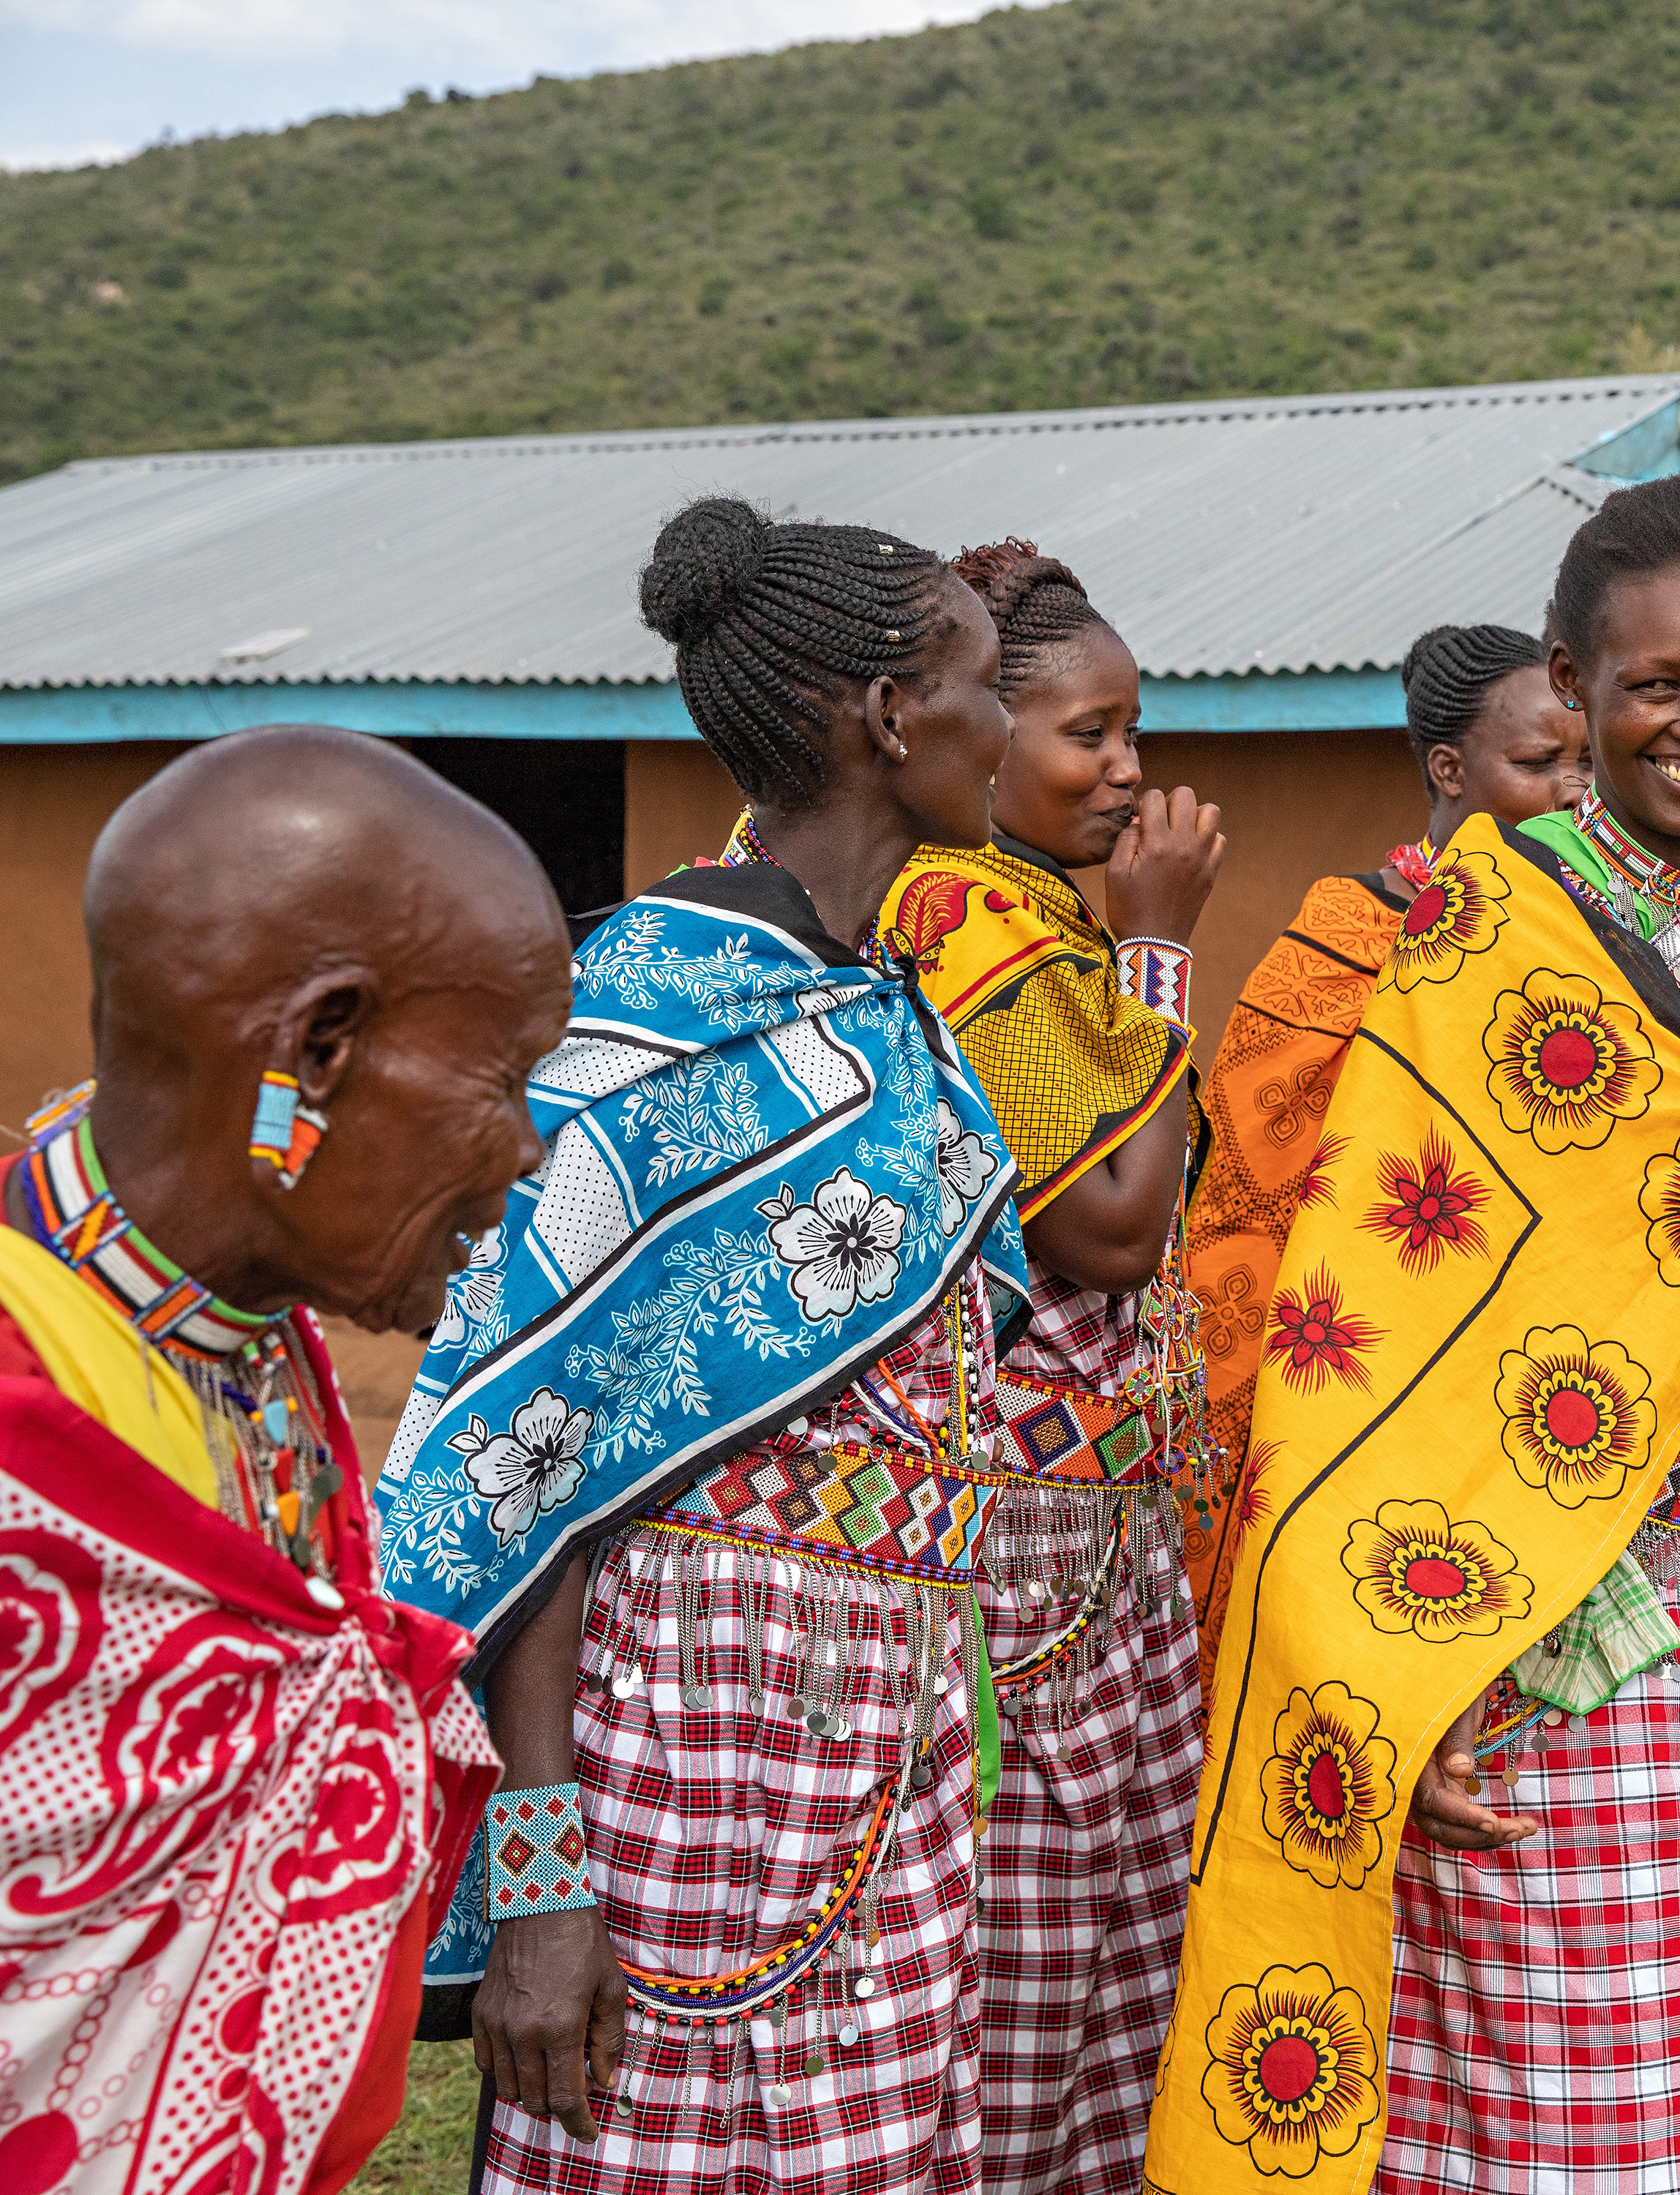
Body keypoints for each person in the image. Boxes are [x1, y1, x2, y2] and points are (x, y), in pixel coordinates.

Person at [1142, 476, 1680, 2194]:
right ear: (1571, 683)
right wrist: (1399, 1685)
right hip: (1527, 1646)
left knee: (1668, 2125)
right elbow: (1375, 1328)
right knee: (1531, 2133)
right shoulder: (1493, 931)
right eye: (1652, 685)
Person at [375, 499, 1030, 2195]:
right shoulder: (633, 1023)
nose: (1009, 729)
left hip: (887, 1749)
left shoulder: (885, 1013)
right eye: (981, 686)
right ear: (891, 718)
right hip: (679, 1757)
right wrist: (539, 1875)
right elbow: (524, 1470)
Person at [0, 727, 560, 2195]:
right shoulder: (23, 1407)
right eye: (508, 1080)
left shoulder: (256, 1338)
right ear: (319, 1047)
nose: (527, 1155)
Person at [1177, 621, 1680, 1675]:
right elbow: (1259, 1190)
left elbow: (1673, 1085)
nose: (1575, 791)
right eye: (1537, 765)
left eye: (1581, 763)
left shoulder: (1582, 930)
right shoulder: (1349, 945)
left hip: (1547, 1375)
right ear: (1448, 768)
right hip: (1381, 1365)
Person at [879, 540, 1224, 2193]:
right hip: (1018, 1556)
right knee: (1024, 1946)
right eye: (1090, 731)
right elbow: (1107, 1227)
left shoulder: (1029, 913)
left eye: (1135, 729)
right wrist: (1157, 944)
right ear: (973, 735)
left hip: (1091, 1529)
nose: (1129, 768)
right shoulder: (965, 917)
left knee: (1098, 1954)